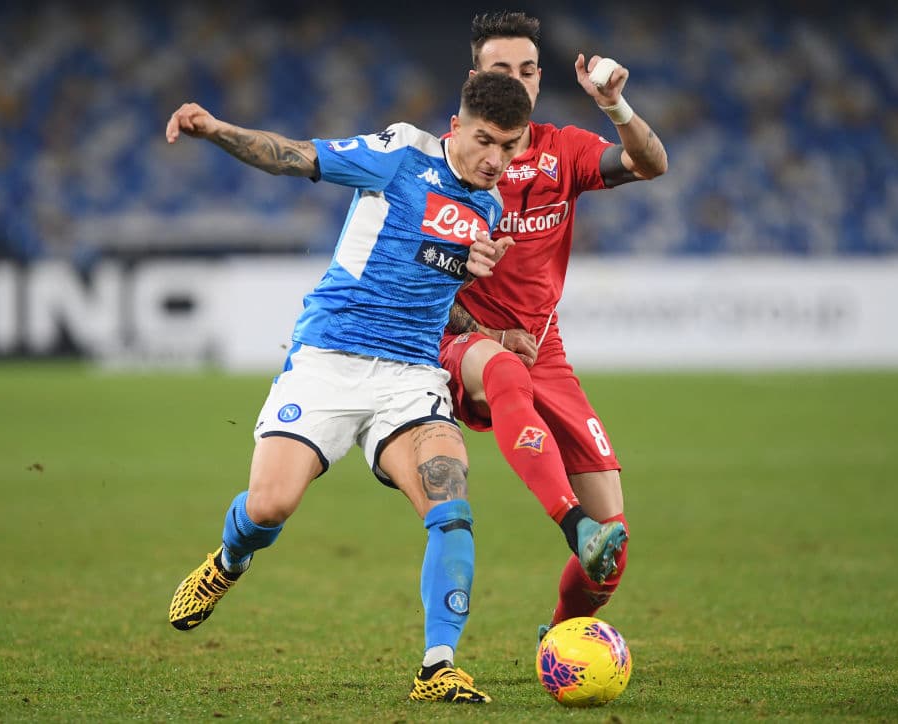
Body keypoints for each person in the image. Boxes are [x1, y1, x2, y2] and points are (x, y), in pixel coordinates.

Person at [165, 70, 533, 704]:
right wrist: (217, 130)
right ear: (456, 128)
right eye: (484, 141)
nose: (495, 159)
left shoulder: (490, 207)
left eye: (509, 146)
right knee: (270, 506)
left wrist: (490, 333)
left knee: (451, 504)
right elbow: (295, 156)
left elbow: (433, 292)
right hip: (330, 357)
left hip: (410, 375)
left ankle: (438, 667)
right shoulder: (400, 155)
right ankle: (227, 561)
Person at [438, 12, 669, 636]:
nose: (517, 80)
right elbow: (411, 266)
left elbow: (651, 163)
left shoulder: (563, 149)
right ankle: (570, 522)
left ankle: (561, 634)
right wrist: (485, 333)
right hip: (457, 341)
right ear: (474, 81)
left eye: (528, 70)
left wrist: (616, 107)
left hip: (543, 348)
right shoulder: (446, 158)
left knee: (612, 546)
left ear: (540, 79)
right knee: (503, 369)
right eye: (501, 70)